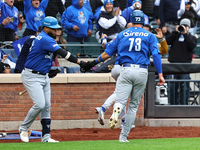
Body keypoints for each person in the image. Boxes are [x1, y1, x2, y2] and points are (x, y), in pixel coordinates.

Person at [81, 10, 165, 142]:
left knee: (120, 99)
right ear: (143, 22)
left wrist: (93, 63)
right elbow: (156, 54)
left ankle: (117, 108)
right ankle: (123, 136)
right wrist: (160, 74)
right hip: (142, 70)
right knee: (133, 106)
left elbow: (107, 54)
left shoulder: (122, 34)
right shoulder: (149, 35)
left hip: (125, 69)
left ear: (131, 21)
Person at [18, 16, 86, 143]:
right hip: (32, 75)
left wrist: (49, 70)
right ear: (45, 28)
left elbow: (44, 58)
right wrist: (80, 62)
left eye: (56, 29)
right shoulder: (44, 38)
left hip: (42, 75)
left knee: (47, 106)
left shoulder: (47, 39)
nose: (56, 31)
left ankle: (46, 137)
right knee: (40, 104)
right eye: (53, 29)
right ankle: (23, 128)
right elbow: (64, 53)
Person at [94, 23, 168, 127]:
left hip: (118, 67)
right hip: (129, 67)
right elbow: (163, 51)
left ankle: (122, 119)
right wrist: (161, 39)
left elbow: (107, 47)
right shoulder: (147, 38)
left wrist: (104, 39)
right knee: (122, 94)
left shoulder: (122, 35)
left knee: (121, 94)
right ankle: (104, 108)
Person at [166, 18, 197, 105]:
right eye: (183, 26)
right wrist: (176, 32)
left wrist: (185, 34)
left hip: (185, 66)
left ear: (189, 27)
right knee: (172, 87)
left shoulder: (192, 37)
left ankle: (184, 106)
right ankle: (172, 105)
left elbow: (192, 45)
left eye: (186, 26)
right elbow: (167, 41)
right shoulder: (175, 36)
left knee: (185, 87)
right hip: (173, 65)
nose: (184, 27)